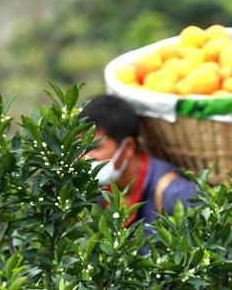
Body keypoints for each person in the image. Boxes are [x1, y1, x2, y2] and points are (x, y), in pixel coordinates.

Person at [81, 95, 198, 228]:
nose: (85, 156)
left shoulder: (174, 194)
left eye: (95, 148)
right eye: (80, 147)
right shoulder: (97, 194)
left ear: (128, 147)